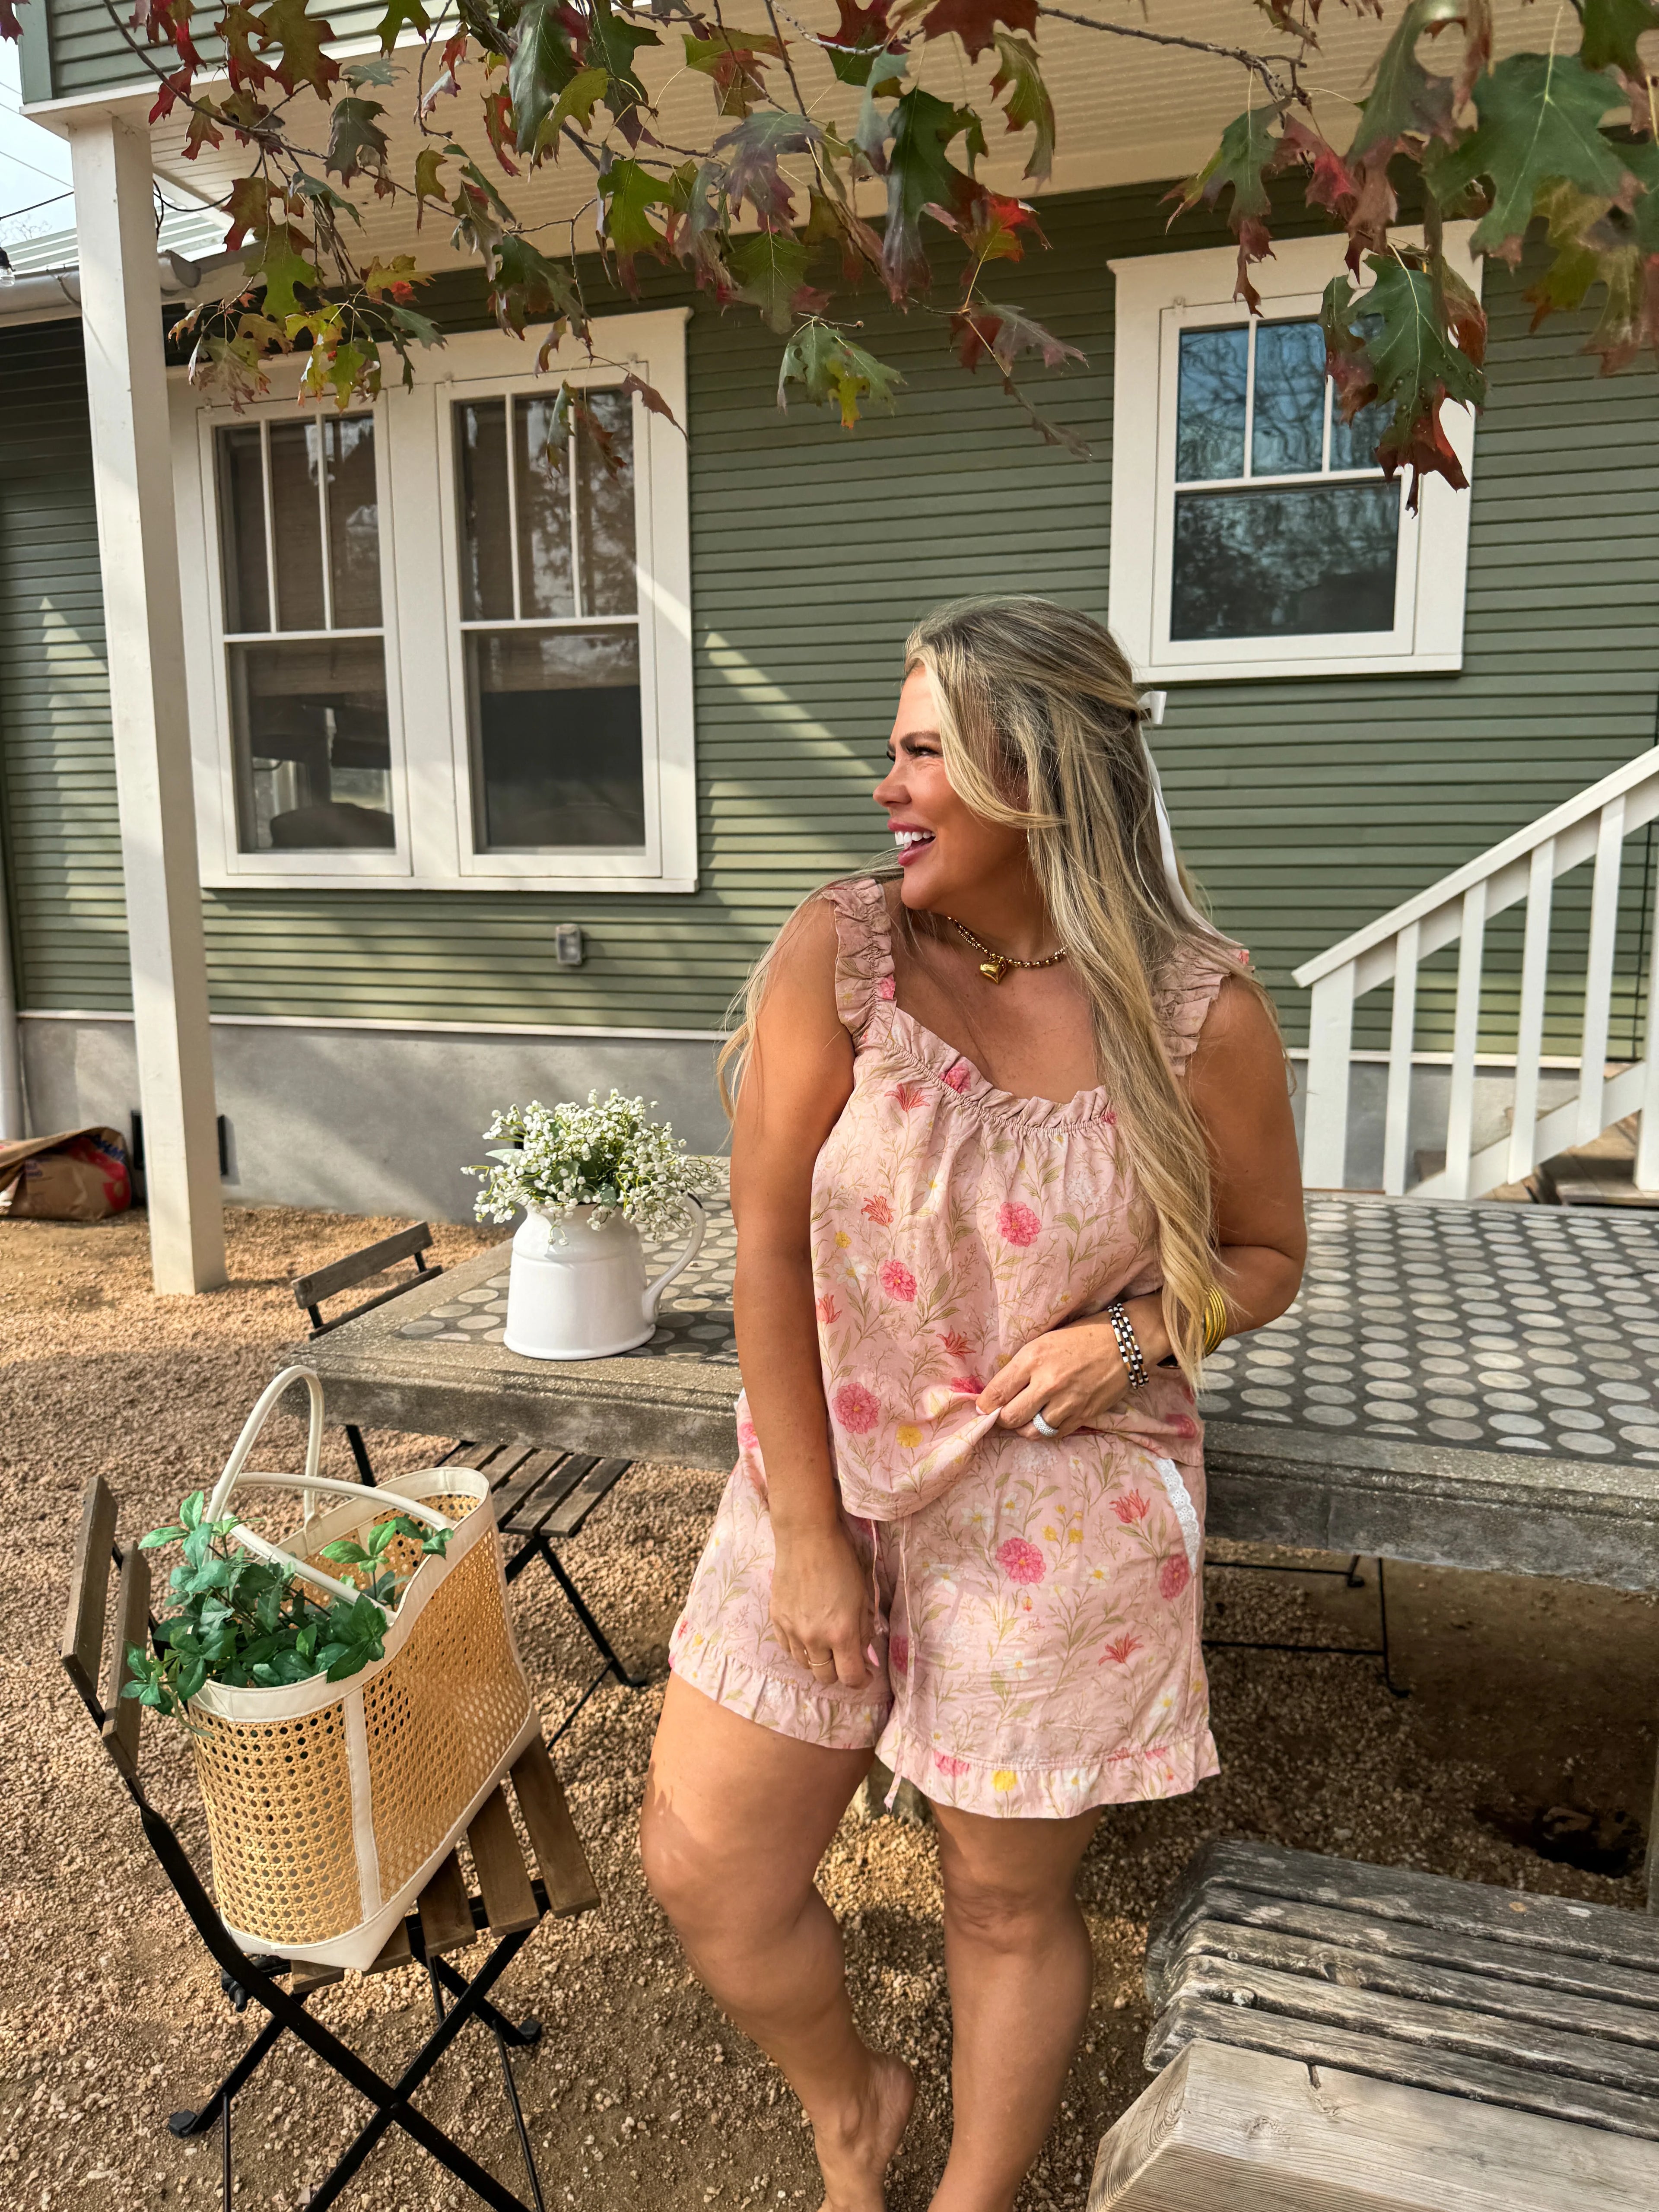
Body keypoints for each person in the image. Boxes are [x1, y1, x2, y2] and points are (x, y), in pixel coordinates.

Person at [639, 596, 1306, 2212]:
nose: (890, 786)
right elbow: (765, 1248)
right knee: (709, 1862)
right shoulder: (843, 952)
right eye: (894, 750)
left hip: (1061, 1505)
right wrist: (806, 1533)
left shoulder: (1195, 1008)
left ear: (1044, 768)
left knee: (1003, 1902)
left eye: (923, 750)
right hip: (831, 1474)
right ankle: (852, 2099)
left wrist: (1136, 1340)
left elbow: (1268, 1256)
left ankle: (974, 2195)